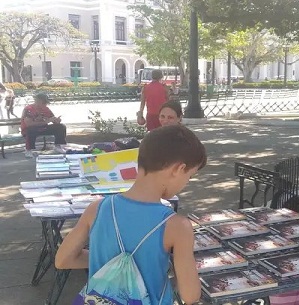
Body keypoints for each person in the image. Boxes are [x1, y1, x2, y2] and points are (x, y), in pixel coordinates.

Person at [55, 125, 206, 305]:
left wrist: (109, 260)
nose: (186, 183)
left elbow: (63, 260)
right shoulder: (176, 226)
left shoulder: (97, 208)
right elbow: (190, 296)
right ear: (178, 169)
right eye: (189, 176)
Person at [21, 93, 66, 158]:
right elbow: (29, 124)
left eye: (46, 103)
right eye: (43, 102)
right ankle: (28, 150)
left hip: (43, 128)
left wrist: (57, 120)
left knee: (61, 127)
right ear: (37, 101)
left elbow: (53, 119)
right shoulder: (28, 109)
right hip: (30, 129)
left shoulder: (46, 109)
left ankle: (58, 146)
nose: (45, 104)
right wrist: (46, 121)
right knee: (31, 130)